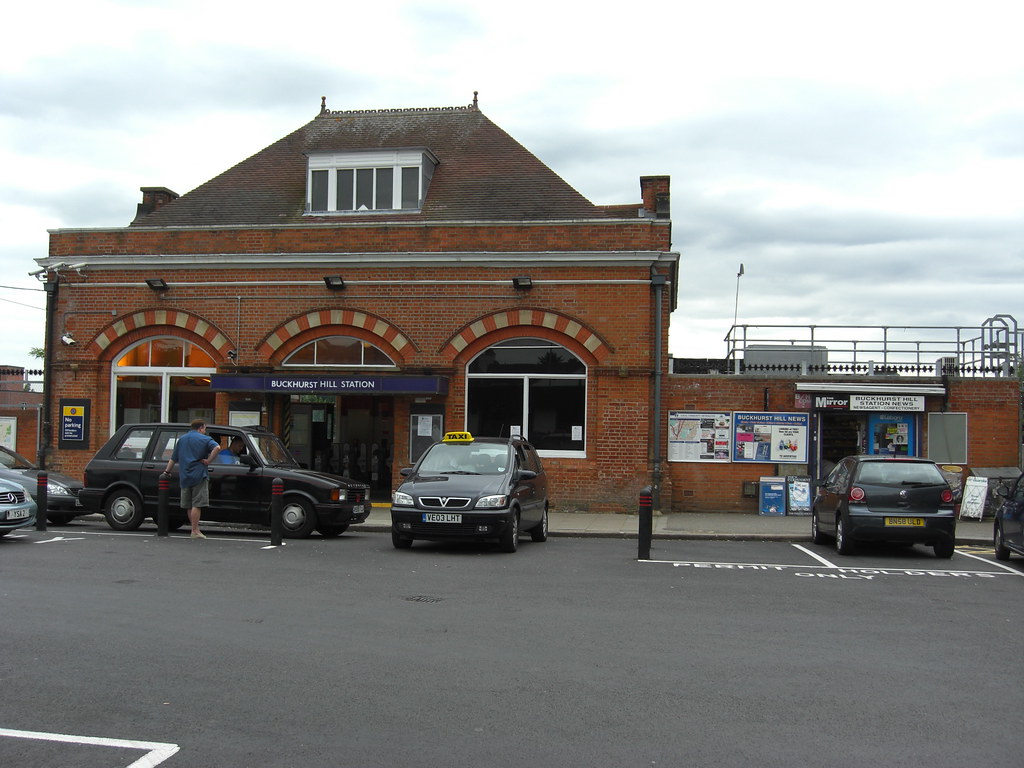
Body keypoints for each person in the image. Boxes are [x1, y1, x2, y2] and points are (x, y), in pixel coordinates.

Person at [163, 418, 221, 538]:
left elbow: (173, 458)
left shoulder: (182, 439)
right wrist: (208, 460)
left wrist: (167, 472)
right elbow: (217, 448)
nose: (205, 431)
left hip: (185, 475)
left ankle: (194, 528)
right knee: (197, 504)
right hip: (199, 475)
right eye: (204, 428)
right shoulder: (205, 439)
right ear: (201, 427)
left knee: (189, 505)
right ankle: (195, 530)